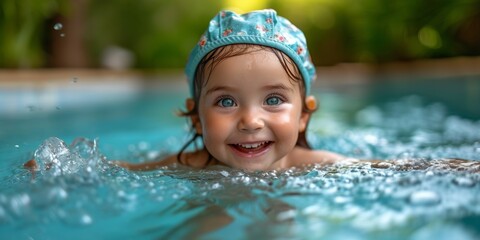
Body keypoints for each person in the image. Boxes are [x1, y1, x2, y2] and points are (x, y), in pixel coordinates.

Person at [25, 9, 344, 172]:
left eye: (273, 100)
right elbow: (121, 170)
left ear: (303, 114)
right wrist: (61, 166)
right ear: (195, 116)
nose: (250, 120)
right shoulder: (191, 165)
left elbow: (377, 168)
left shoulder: (310, 164)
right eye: (226, 101)